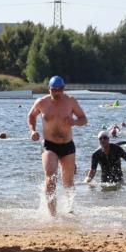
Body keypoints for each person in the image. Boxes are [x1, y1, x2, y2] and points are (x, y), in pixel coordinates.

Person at [27, 76, 88, 215]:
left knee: (68, 183)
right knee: (50, 178)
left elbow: (84, 119)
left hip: (67, 146)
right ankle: (52, 215)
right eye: (54, 90)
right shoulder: (41, 102)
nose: (57, 93)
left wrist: (75, 122)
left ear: (63, 89)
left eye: (59, 90)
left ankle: (70, 210)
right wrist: (32, 131)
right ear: (49, 89)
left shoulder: (70, 101)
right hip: (49, 145)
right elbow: (31, 116)